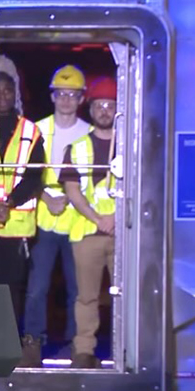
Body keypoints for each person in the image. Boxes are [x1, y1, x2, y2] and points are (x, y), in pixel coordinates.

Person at [0, 64, 89, 365]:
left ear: (81, 98)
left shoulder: (88, 133)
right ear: (52, 96)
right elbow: (30, 174)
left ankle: (77, 345)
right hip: (44, 219)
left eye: (72, 94)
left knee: (78, 288)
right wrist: (47, 197)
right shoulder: (38, 128)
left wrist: (74, 200)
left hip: (79, 221)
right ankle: (32, 341)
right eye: (60, 94)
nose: (65, 100)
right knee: (37, 287)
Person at [0, 56, 45, 339]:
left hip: (16, 224)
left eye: (7, 90)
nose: (2, 95)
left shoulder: (30, 131)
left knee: (13, 287)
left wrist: (8, 203)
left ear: (15, 92)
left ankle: (8, 340)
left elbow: (34, 176)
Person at [59, 76, 118, 368]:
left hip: (126, 234)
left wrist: (116, 219)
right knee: (86, 298)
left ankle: (126, 351)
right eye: (99, 105)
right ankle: (84, 351)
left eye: (110, 105)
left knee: (127, 296)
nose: (104, 110)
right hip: (87, 233)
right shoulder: (78, 147)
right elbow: (72, 190)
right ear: (91, 109)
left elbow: (146, 187)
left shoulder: (133, 147)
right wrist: (99, 219)